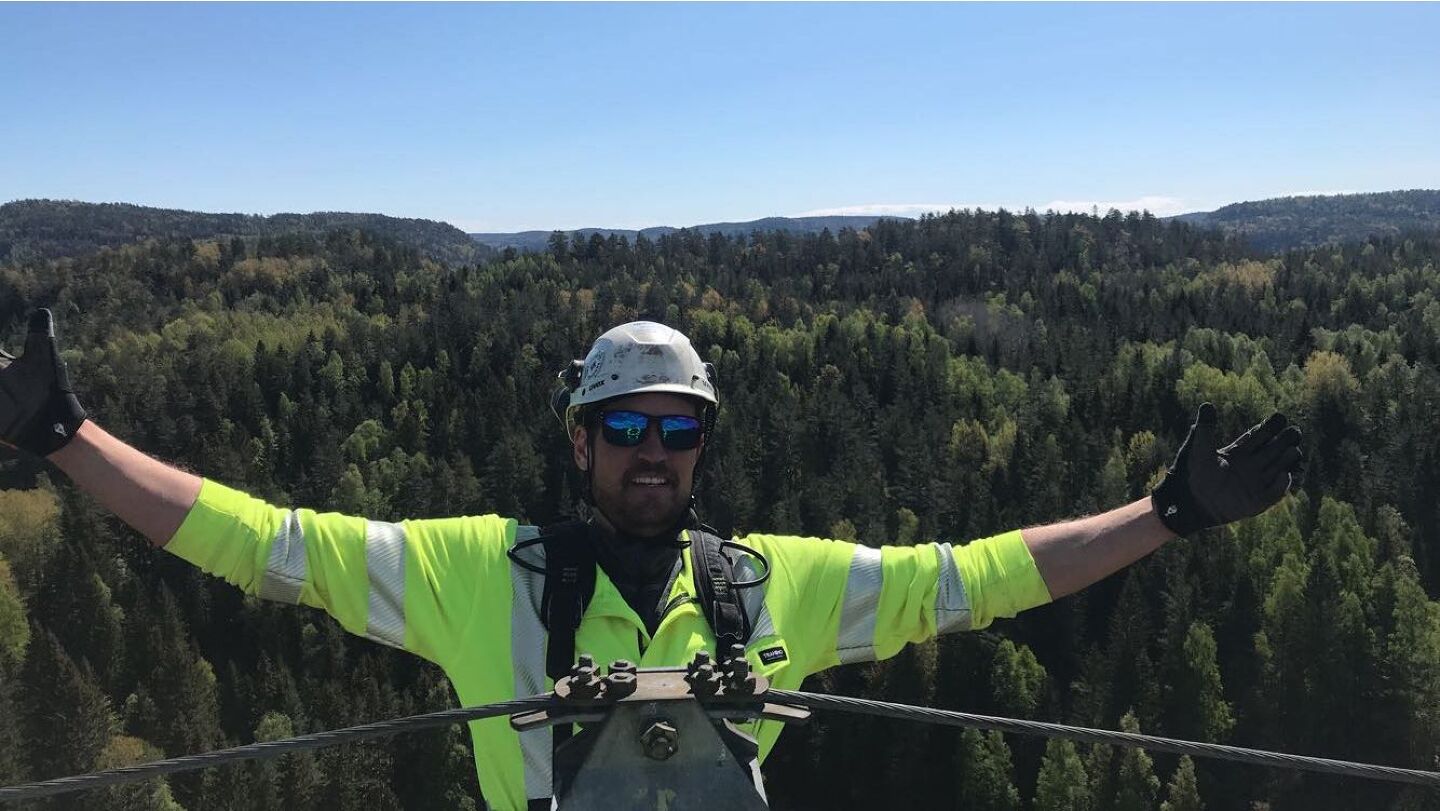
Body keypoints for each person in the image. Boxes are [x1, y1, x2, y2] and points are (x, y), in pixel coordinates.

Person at [0, 311, 1303, 810]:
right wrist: (69, 439)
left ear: (702, 449)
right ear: (579, 444)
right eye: (625, 429)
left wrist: (1164, 517)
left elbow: (974, 579)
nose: (651, 454)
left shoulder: (775, 583)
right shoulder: (482, 574)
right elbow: (268, 545)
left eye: (677, 432)